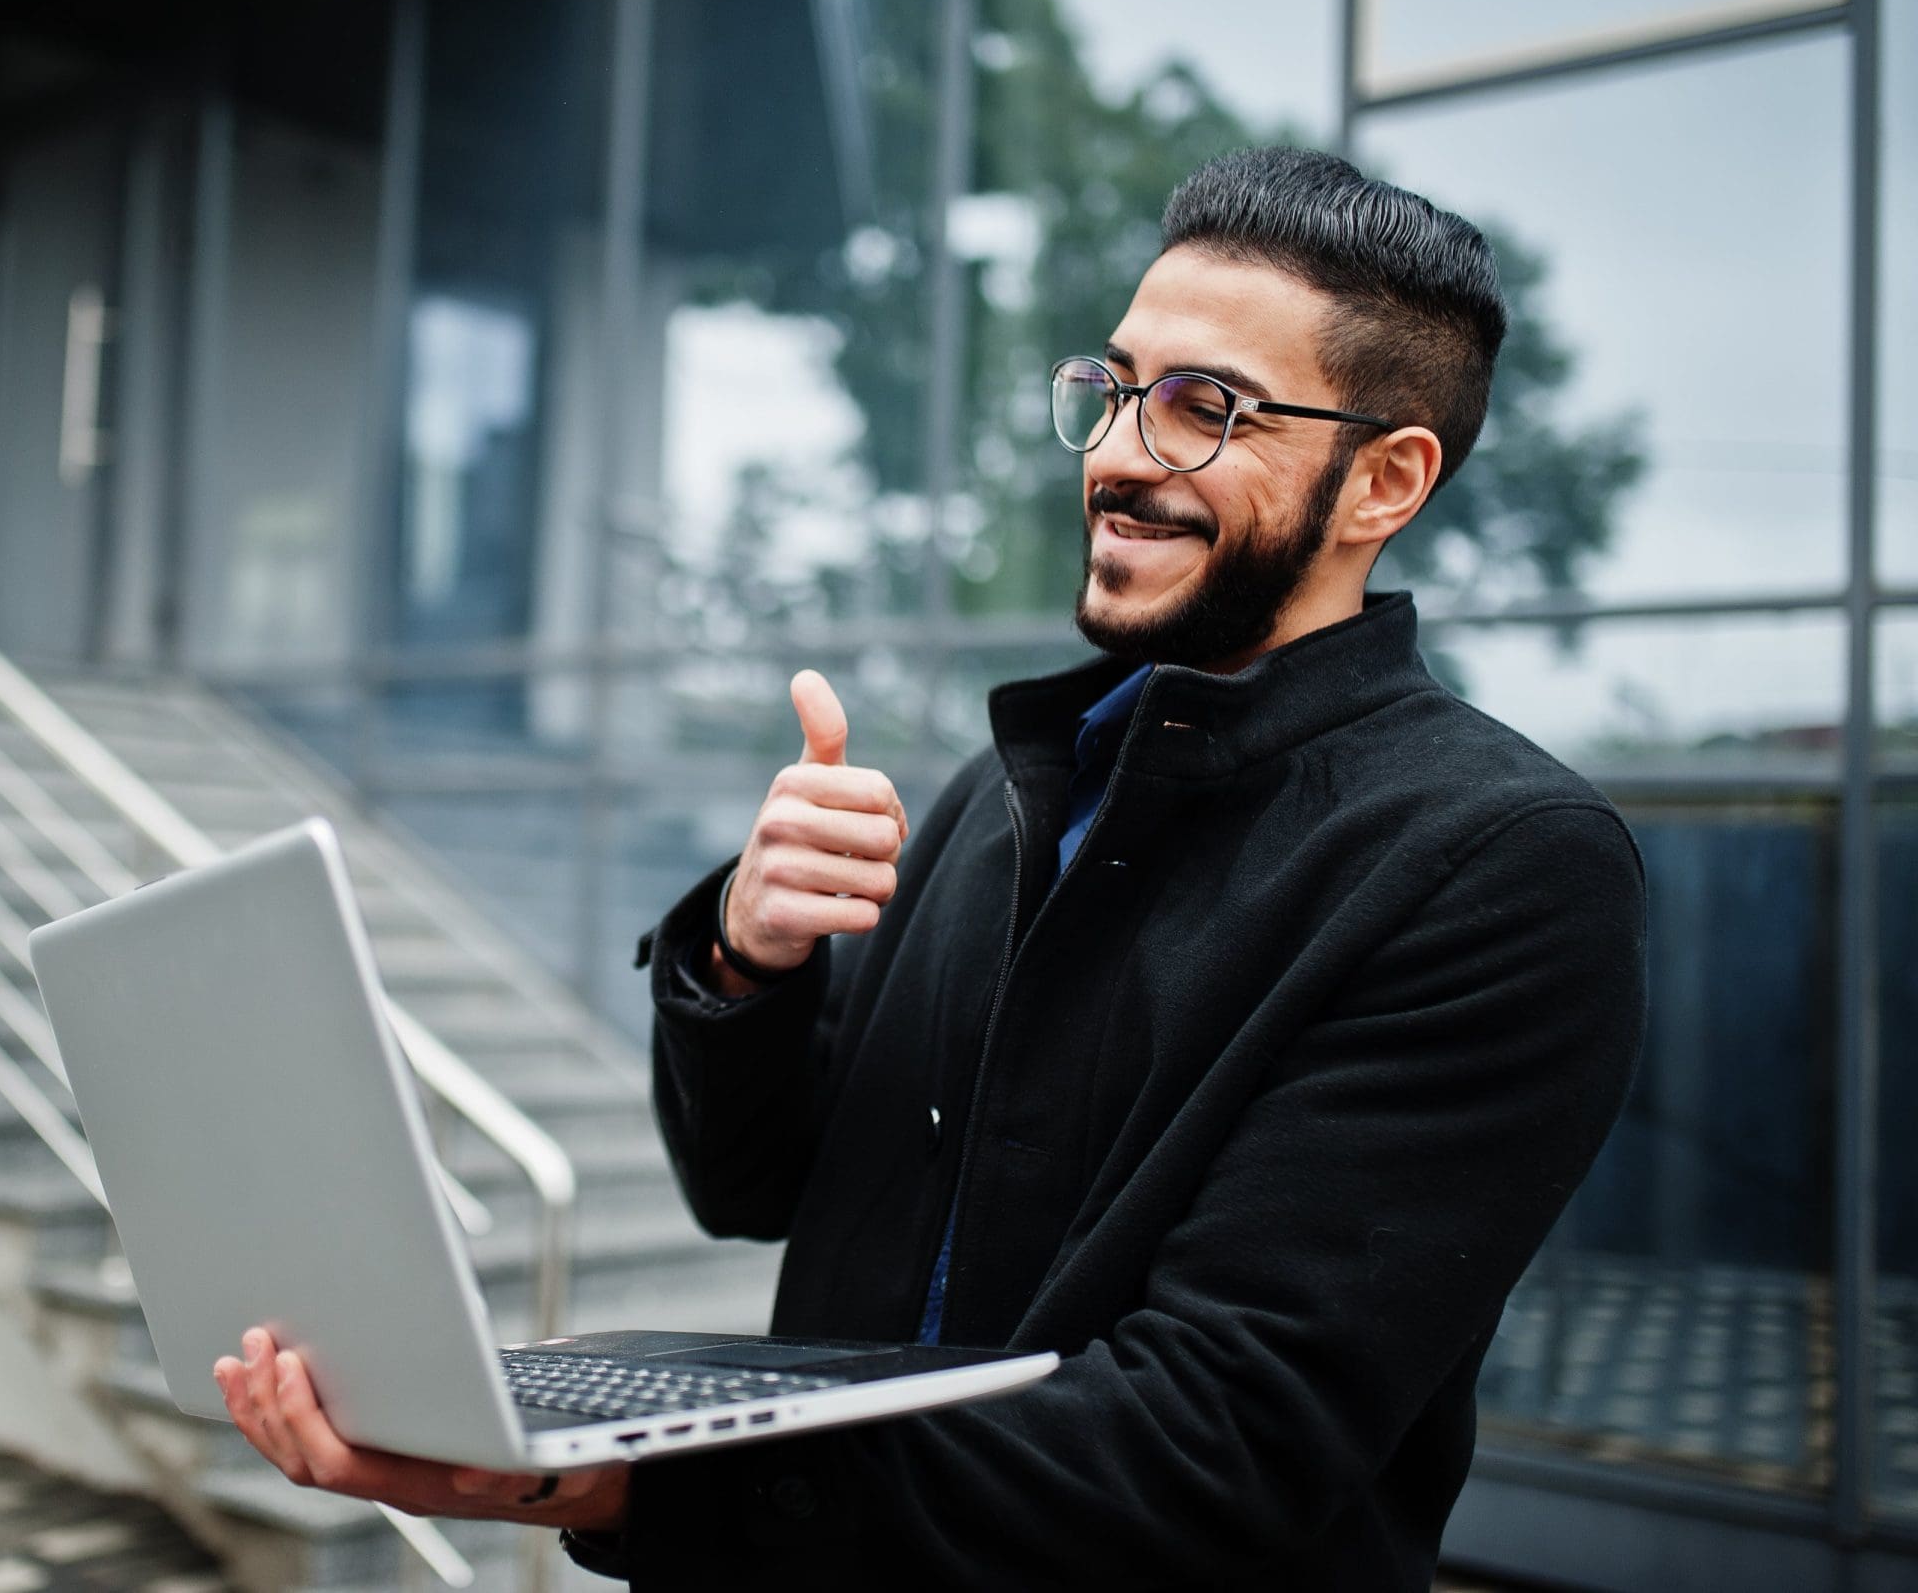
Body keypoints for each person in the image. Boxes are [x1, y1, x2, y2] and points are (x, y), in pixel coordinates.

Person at [211, 146, 1647, 1589]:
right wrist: (746, 956)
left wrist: (633, 1479)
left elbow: (1215, 1450)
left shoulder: (1498, 866)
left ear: (1384, 482)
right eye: (1118, 389)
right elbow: (758, 1185)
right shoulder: (1008, 793)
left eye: (1207, 409)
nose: (1122, 455)